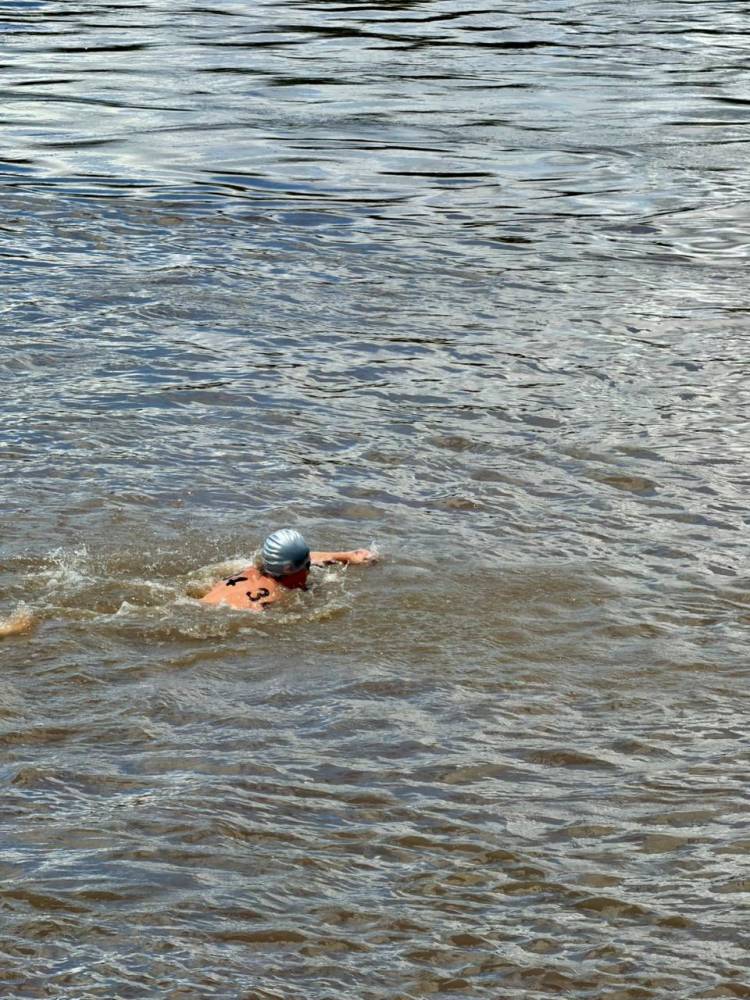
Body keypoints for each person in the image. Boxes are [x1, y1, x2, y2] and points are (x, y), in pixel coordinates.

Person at [200, 528, 375, 612]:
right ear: (295, 569)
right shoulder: (271, 597)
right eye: (308, 566)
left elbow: (308, 557)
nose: (309, 571)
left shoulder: (250, 569)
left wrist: (347, 556)